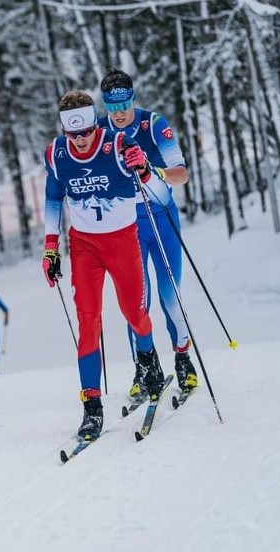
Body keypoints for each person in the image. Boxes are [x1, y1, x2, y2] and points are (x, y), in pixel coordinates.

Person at [42, 90, 169, 440]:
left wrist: (143, 167)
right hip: (84, 246)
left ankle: (149, 361)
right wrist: (50, 247)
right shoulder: (56, 153)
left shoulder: (118, 144)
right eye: (73, 135)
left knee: (134, 312)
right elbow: (53, 198)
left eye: (85, 133)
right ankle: (92, 407)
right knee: (88, 322)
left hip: (122, 240)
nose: (81, 141)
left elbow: (156, 190)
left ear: (94, 124)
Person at [100, 68, 197, 398]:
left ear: (132, 99)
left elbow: (182, 174)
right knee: (136, 302)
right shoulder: (100, 133)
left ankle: (183, 358)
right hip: (126, 227)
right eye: (112, 107)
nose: (119, 113)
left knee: (170, 295)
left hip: (163, 218)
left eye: (124, 104)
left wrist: (152, 171)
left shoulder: (153, 124)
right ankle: (145, 368)